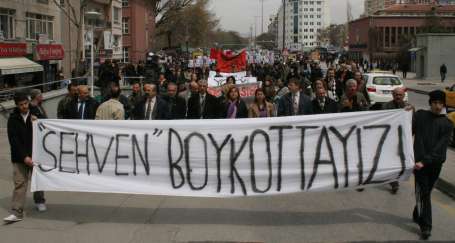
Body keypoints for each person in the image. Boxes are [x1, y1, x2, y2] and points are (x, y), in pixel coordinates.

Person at [412, 90, 453, 240]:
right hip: (419, 164)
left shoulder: (447, 124)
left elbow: (440, 148)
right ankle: (426, 226)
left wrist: (425, 161)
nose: (437, 106)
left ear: (443, 105)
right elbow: (407, 129)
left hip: (434, 164)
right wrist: (407, 110)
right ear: (430, 103)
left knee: (426, 192)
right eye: (435, 103)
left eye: (440, 103)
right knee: (424, 193)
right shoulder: (421, 116)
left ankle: (418, 212)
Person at [4, 93, 46, 223]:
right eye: (21, 105)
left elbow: (46, 129)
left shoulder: (36, 114)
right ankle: (17, 211)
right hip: (19, 157)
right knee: (20, 183)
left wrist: (38, 122)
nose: (24, 107)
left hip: (36, 154)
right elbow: (14, 140)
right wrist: (24, 157)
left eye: (25, 104)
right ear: (17, 105)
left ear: (28, 102)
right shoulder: (13, 119)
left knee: (37, 180)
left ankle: (39, 200)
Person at [382, 87, 414, 194]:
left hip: (403, 139)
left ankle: (394, 178)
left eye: (400, 95)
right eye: (396, 94)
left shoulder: (409, 108)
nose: (398, 97)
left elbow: (413, 123)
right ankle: (394, 181)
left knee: (400, 161)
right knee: (391, 161)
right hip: (390, 139)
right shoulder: (386, 107)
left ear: (404, 96)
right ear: (392, 95)